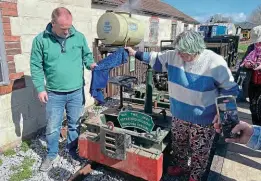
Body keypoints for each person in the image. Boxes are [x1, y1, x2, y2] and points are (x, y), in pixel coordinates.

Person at [126, 30, 239, 181]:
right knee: (179, 144)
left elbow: (230, 89)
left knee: (200, 151)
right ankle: (180, 166)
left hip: (204, 119)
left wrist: (223, 114)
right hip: (179, 114)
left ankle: (195, 176)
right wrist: (134, 53)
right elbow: (153, 58)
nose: (179, 55)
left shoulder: (215, 63)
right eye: (178, 51)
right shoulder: (174, 55)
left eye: (183, 52)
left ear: (195, 50)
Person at [30, 7, 97, 172]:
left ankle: (73, 152)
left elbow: (87, 56)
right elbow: (36, 66)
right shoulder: (41, 40)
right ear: (53, 23)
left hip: (76, 92)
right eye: (63, 29)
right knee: (53, 127)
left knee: (74, 125)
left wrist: (91, 64)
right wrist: (40, 88)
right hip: (54, 93)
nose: (67, 31)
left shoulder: (79, 37)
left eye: (69, 27)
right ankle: (52, 154)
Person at [239, 25, 261, 126]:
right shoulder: (251, 47)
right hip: (252, 83)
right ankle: (256, 130)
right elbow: (243, 64)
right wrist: (246, 65)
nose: (258, 43)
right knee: (253, 107)